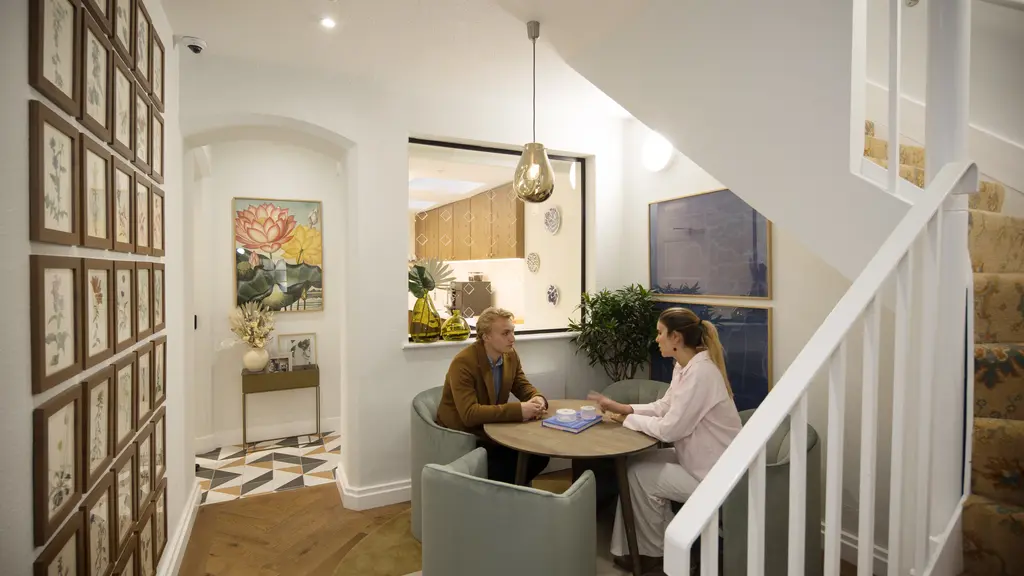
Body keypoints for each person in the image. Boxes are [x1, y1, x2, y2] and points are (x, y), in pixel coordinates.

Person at [588, 307, 741, 575]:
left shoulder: (701, 374)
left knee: (639, 476)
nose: (656, 338)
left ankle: (655, 554)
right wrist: (624, 408)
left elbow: (670, 430)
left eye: (660, 333)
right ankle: (648, 547)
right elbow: (664, 406)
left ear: (676, 338)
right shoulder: (685, 367)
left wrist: (626, 420)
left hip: (715, 474)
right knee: (637, 463)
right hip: (699, 460)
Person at [435, 307, 551, 484]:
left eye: (512, 331)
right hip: (465, 436)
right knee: (511, 464)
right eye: (505, 333)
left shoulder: (510, 355)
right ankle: (499, 494)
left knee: (539, 455)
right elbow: (469, 414)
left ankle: (506, 494)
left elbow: (521, 385)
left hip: (492, 431)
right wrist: (519, 411)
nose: (512, 338)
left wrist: (537, 398)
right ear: (486, 336)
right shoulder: (463, 362)